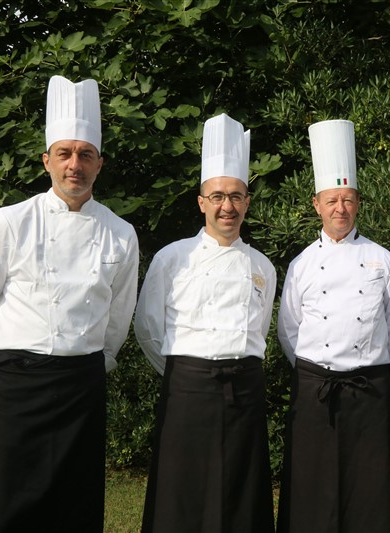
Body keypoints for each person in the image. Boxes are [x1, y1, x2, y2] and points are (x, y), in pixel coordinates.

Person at [0, 75, 139, 532]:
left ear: (99, 164)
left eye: (85, 155)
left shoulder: (120, 232)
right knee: (4, 505)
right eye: (65, 153)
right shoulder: (9, 222)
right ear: (46, 161)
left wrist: (100, 360)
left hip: (81, 384)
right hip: (16, 381)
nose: (74, 164)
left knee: (74, 507)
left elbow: (119, 313)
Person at [135, 113, 276, 533]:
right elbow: (147, 327)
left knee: (240, 487)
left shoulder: (262, 266)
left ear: (247, 202)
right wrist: (187, 373)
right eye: (217, 196)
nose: (227, 206)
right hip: (187, 388)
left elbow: (261, 329)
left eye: (236, 196)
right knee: (182, 489)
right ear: (201, 202)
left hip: (245, 388)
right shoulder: (172, 257)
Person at [276, 119, 390, 533]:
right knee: (311, 476)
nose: (341, 208)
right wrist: (317, 367)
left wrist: (371, 365)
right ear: (316, 204)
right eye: (332, 199)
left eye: (348, 199)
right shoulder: (301, 264)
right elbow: (289, 329)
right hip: (315, 388)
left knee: (367, 480)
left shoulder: (380, 258)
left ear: (358, 204)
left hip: (367, 387)